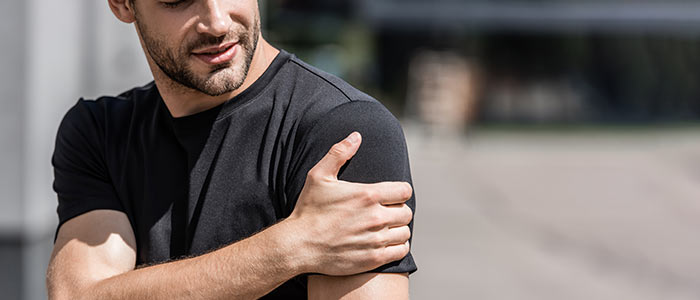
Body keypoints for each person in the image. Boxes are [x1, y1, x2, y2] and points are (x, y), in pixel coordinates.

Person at [46, 0, 417, 299]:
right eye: (178, 1)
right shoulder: (100, 131)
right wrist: (290, 247)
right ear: (123, 6)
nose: (217, 21)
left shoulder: (344, 131)